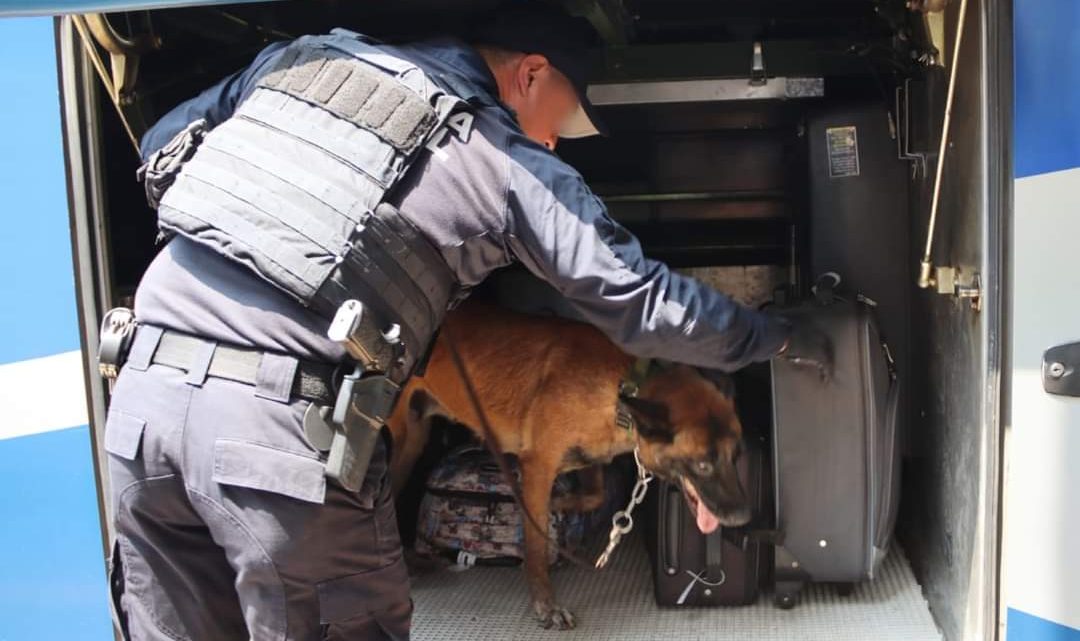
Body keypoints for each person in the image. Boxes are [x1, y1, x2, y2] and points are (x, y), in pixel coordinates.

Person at [103, 3, 829, 640]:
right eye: (561, 125)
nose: (552, 144)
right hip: (273, 433)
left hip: (144, 404)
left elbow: (161, 143)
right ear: (531, 75)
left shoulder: (305, 60)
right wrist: (775, 334)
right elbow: (639, 298)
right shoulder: (491, 150)